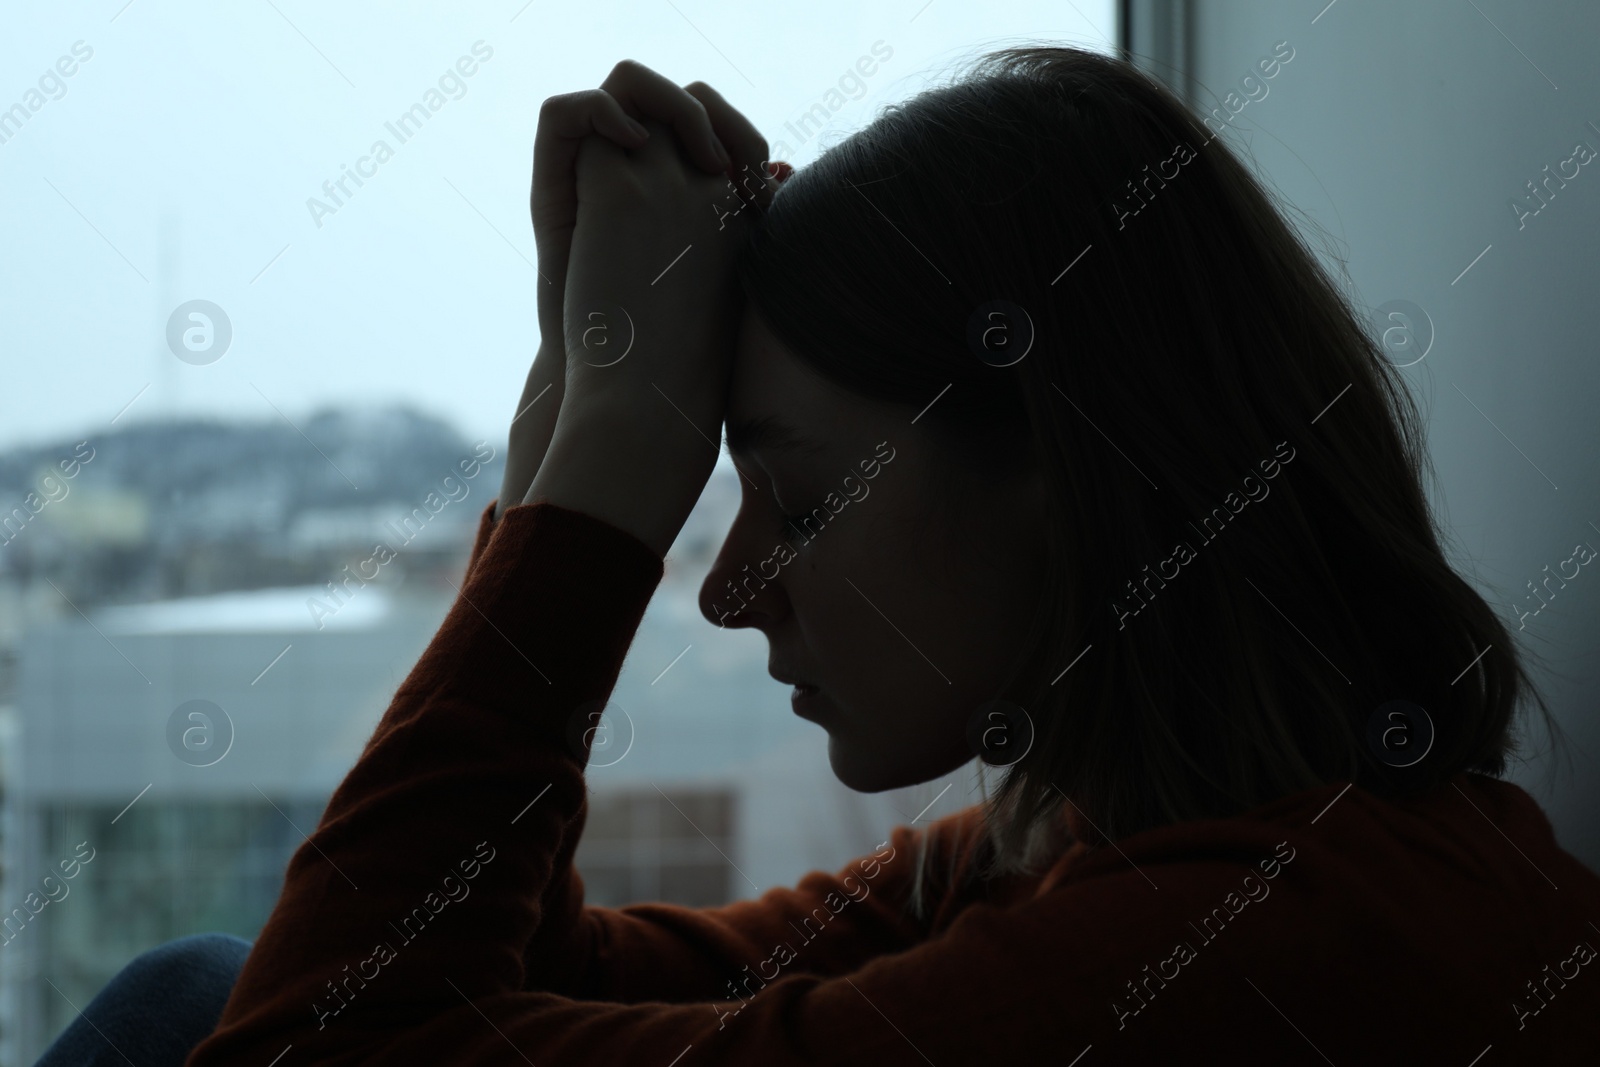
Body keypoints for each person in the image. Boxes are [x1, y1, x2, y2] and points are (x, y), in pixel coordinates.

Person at [37, 45, 1600, 1066]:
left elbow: (321, 1048)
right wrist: (567, 425)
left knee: (193, 1004)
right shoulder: (1072, 856)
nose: (730, 588)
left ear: (1064, 470)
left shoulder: (1256, 958)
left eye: (799, 491)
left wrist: (609, 495)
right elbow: (516, 965)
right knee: (197, 981)